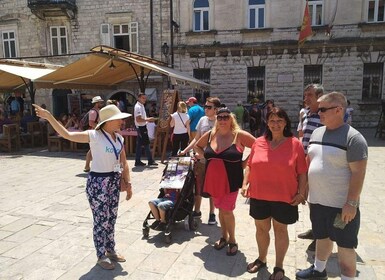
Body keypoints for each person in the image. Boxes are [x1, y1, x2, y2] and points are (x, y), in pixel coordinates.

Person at [33, 104, 133, 270]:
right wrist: (50, 116)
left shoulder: (119, 138)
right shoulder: (94, 135)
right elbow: (67, 134)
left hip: (113, 182)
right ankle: (101, 254)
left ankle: (110, 249)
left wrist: (128, 183)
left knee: (111, 218)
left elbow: (124, 162)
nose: (122, 121)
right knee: (101, 220)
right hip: (98, 183)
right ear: (108, 121)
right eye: (119, 119)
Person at [296, 92, 368, 280]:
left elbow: (358, 173)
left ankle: (347, 277)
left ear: (338, 110)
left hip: (341, 207)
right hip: (318, 202)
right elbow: (310, 161)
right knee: (322, 237)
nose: (317, 112)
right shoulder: (318, 132)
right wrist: (304, 189)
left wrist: (351, 203)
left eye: (322, 109)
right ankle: (319, 271)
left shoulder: (354, 138)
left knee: (345, 246)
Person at [241, 107, 307, 280]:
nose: (275, 124)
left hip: (284, 196)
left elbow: (302, 172)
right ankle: (261, 259)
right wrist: (245, 183)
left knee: (280, 230)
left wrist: (302, 193)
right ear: (267, 123)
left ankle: (279, 267)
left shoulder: (295, 144)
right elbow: (250, 164)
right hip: (259, 194)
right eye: (272, 120)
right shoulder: (259, 142)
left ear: (286, 123)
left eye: (279, 120)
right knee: (261, 229)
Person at [194, 107, 256, 256]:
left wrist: (246, 163)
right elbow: (197, 145)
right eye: (220, 117)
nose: (222, 120)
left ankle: (232, 240)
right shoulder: (210, 135)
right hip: (213, 180)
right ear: (217, 119)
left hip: (231, 181)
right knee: (220, 209)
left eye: (225, 117)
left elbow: (259, 146)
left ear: (231, 119)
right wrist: (204, 156)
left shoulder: (238, 135)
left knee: (227, 211)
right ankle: (223, 236)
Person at [180, 97, 221, 225]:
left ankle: (212, 213)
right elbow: (196, 139)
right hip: (201, 159)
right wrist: (184, 150)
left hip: (214, 160)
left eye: (209, 107)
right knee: (198, 186)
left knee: (212, 188)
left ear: (216, 109)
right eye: (205, 106)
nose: (206, 109)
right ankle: (197, 211)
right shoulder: (202, 120)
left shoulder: (220, 122)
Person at [297, 84, 325, 251]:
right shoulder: (306, 114)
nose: (305, 98)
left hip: (318, 163)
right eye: (305, 94)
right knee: (311, 199)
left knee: (319, 200)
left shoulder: (324, 115)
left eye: (310, 95)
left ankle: (321, 236)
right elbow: (303, 137)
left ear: (319, 97)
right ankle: (315, 230)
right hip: (306, 162)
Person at [134, 92, 158, 167]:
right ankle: (150, 160)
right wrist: (148, 119)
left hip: (142, 127)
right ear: (139, 98)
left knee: (139, 145)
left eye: (145, 98)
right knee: (146, 144)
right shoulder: (138, 107)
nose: (145, 99)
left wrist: (147, 119)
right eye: (143, 98)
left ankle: (137, 161)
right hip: (141, 128)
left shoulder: (141, 106)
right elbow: (138, 119)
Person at [84, 96, 104, 172]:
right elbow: (91, 123)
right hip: (95, 132)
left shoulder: (98, 110)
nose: (102, 103)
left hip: (97, 131)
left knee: (93, 149)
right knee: (92, 149)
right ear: (96, 103)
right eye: (100, 102)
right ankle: (87, 166)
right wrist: (99, 128)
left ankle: (88, 166)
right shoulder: (93, 112)